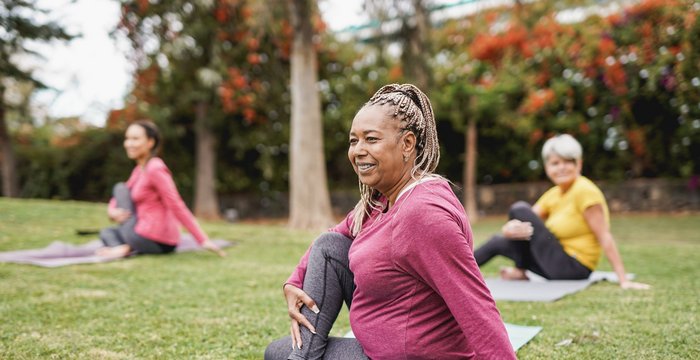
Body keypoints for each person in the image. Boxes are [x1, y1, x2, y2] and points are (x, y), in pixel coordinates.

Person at [265, 84, 515, 359]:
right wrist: (293, 282)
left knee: (278, 354)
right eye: (353, 140)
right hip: (377, 347)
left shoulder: (424, 214)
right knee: (329, 247)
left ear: (407, 144)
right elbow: (334, 238)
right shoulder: (382, 201)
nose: (358, 150)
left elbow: (475, 305)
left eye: (371, 139)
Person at [474, 134, 650, 289]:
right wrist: (509, 229)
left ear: (579, 164)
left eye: (568, 162)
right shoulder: (554, 194)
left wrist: (623, 280)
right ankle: (454, 275)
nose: (561, 168)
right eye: (555, 163)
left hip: (574, 267)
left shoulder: (585, 191)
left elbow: (604, 236)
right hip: (553, 262)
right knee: (498, 241)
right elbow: (526, 220)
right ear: (547, 168)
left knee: (518, 208)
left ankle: (520, 271)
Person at [97, 120, 225, 258]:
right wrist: (112, 211)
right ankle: (125, 248)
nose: (129, 144)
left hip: (154, 238)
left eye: (135, 139)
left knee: (119, 187)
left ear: (150, 142)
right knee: (107, 232)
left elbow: (176, 204)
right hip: (142, 234)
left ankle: (125, 247)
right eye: (127, 139)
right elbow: (119, 196)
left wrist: (202, 239)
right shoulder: (139, 170)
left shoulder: (155, 167)